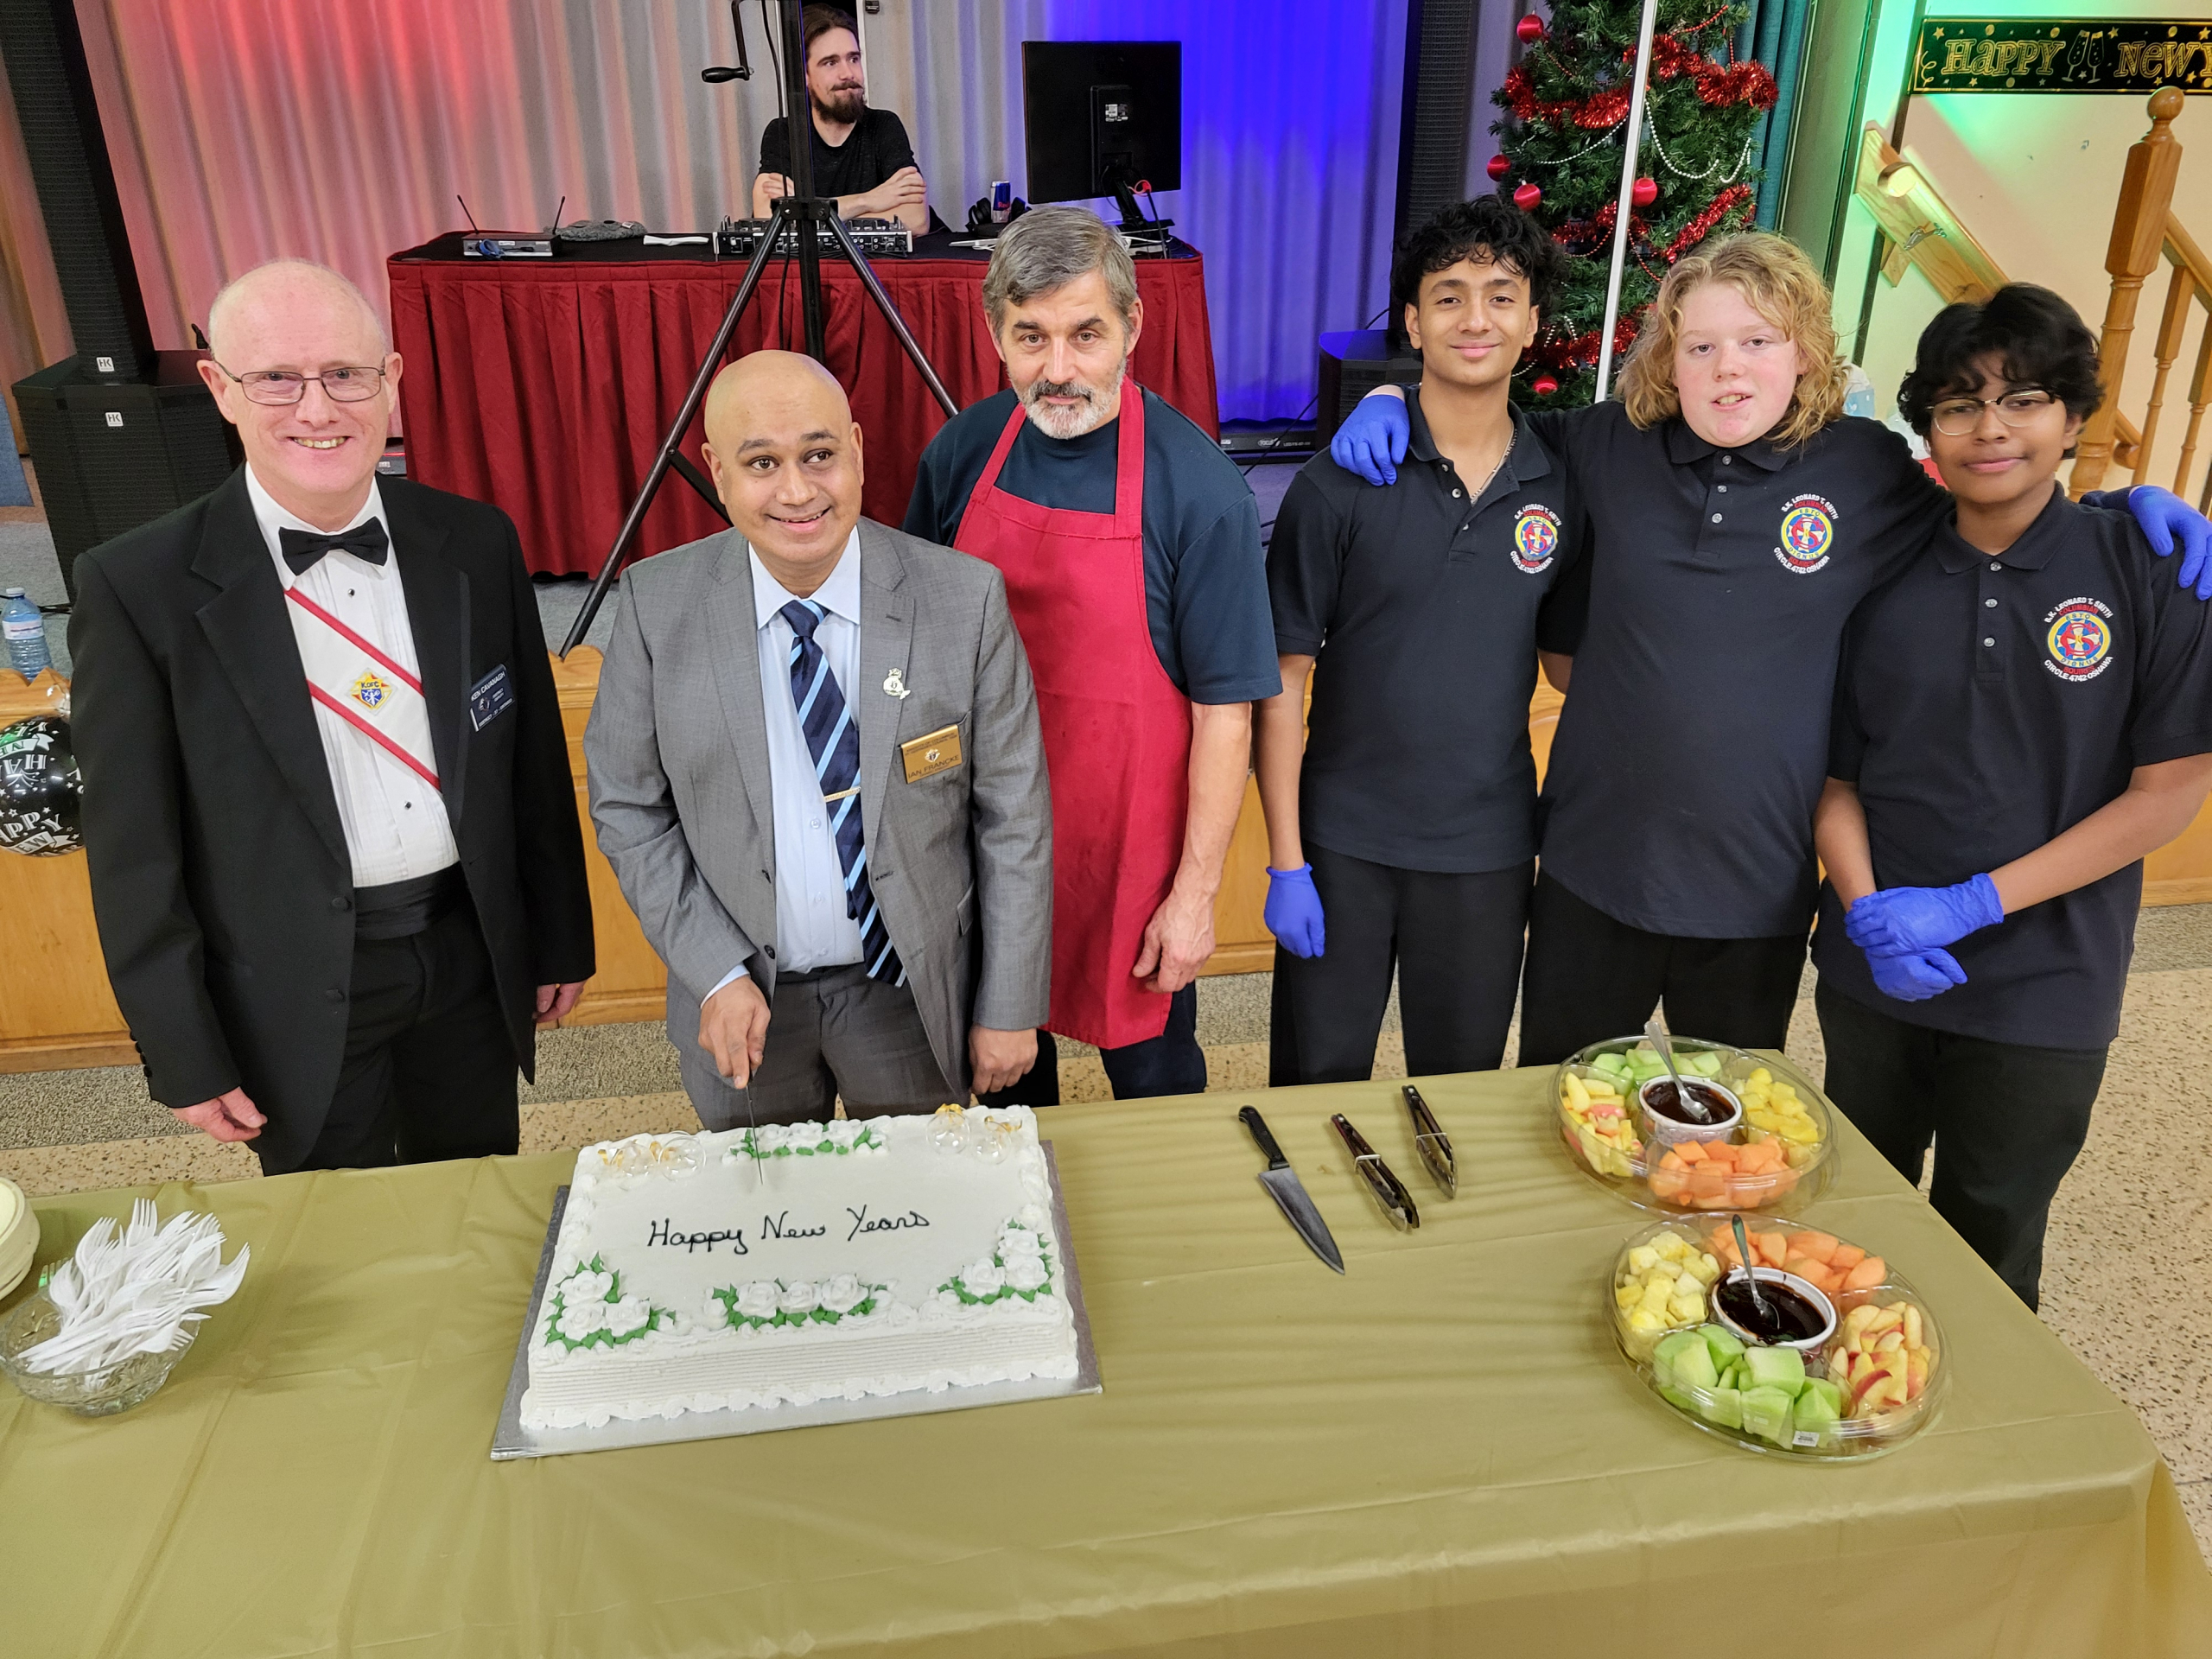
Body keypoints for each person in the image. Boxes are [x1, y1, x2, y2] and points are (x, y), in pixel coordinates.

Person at [1329, 230, 2212, 1065]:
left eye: (1756, 341)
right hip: (1588, 870)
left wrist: (2116, 506)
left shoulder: (1865, 469)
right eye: (1701, 346)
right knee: (1557, 1098)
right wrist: (1389, 396)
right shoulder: (1604, 444)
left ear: (1805, 355)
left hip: (1756, 884)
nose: (1728, 370)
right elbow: (1478, 428)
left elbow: (1993, 497)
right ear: (1667, 359)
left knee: (1734, 1132)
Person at [67, 259, 594, 1173]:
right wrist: (183, 1049)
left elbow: (529, 765)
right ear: (220, 390)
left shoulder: (475, 540)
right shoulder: (135, 586)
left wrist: (556, 935)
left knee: (474, 1201)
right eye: (277, 378)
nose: (318, 410)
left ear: (391, 379)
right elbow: (133, 855)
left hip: (467, 952)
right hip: (288, 980)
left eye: (346, 374)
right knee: (331, 1237)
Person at [1814, 286, 2212, 1308]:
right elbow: (1836, 776)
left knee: (1990, 1237)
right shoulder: (1877, 570)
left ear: (2074, 417)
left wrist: (1976, 901)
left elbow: (2168, 793)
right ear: (1928, 428)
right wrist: (1865, 909)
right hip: (1877, 965)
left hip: (2049, 982)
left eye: (2024, 399)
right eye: (1956, 405)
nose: (1989, 430)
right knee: (1855, 1221)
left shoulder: (2149, 567)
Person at [585, 351, 1052, 1125]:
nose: (797, 491)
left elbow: (1015, 818)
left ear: (859, 452)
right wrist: (713, 970)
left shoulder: (963, 601)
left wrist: (1008, 1001)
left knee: (919, 1223)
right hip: (739, 1000)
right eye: (761, 462)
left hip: (909, 998)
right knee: (767, 1233)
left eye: (820, 455)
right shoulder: (653, 605)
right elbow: (630, 810)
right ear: (716, 470)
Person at [906, 206, 1277, 1102]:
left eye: (1086, 334)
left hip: (1127, 870)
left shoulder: (1198, 489)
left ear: (1133, 327)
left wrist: (1193, 901)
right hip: (984, 853)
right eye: (1030, 337)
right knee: (1001, 1100)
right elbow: (914, 661)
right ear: (995, 331)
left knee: (1155, 1095)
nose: (1059, 369)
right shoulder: (960, 454)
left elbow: (1226, 715)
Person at [1258, 198, 1580, 1084]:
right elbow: (1282, 679)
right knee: (1313, 1090)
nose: (1475, 318)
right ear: (1410, 320)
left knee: (1465, 1091)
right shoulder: (1337, 484)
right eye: (1448, 296)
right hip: (1341, 845)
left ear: (1532, 323)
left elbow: (1566, 663)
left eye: (1500, 295)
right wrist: (1285, 860)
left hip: (1486, 850)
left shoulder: (1564, 478)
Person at [751, 5, 928, 236]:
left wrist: (807, 211)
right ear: (804, 75)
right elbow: (767, 217)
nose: (848, 74)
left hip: (877, 269)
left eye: (853, 59)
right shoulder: (784, 133)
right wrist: (869, 200)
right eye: (831, 63)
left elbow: (916, 220)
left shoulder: (884, 126)